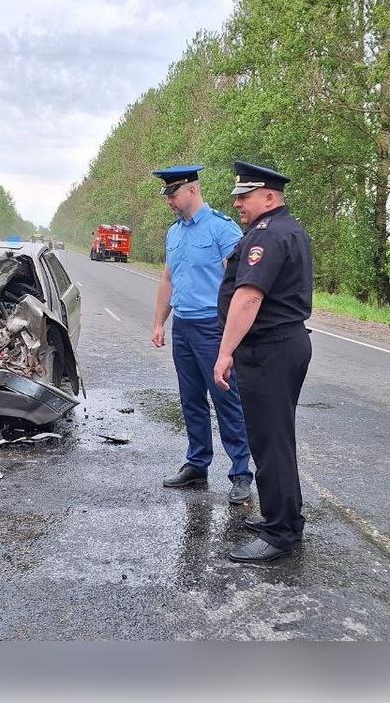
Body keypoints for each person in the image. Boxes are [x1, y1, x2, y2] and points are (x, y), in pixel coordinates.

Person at [214, 160, 313, 563]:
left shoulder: (268, 236)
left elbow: (249, 297)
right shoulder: (279, 229)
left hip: (270, 349)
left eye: (245, 196)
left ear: (269, 196)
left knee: (270, 441)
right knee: (274, 439)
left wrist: (224, 352)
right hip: (277, 346)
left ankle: (280, 532)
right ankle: (286, 517)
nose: (238, 202)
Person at [150, 164, 254, 505]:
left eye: (174, 194)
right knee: (191, 400)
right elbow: (168, 279)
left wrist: (236, 335)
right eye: (167, 195)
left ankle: (240, 473)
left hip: (213, 328)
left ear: (192, 190)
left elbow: (241, 285)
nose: (169, 200)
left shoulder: (221, 230)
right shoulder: (174, 233)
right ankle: (197, 463)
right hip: (183, 326)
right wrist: (158, 322)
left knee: (226, 400)